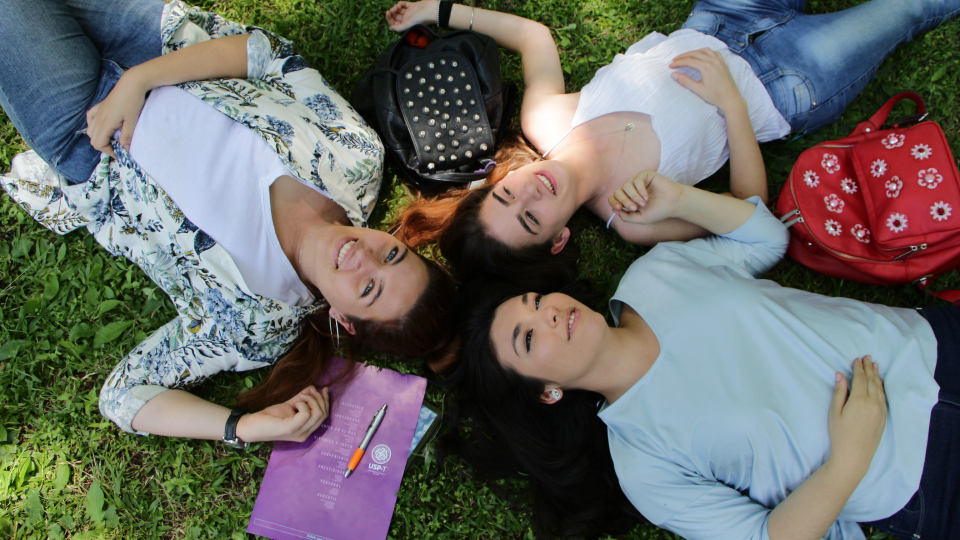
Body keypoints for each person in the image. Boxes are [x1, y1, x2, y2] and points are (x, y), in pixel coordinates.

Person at [0, 0, 457, 447]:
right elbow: (266, 55)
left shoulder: (253, 323)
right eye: (393, 255)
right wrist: (139, 80)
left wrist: (242, 427)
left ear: (345, 321)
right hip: (160, 46)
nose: (364, 257)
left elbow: (125, 395)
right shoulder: (358, 160)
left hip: (92, 137)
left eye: (368, 289)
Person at [455, 168, 958, 539]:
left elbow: (766, 239)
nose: (547, 314)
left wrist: (677, 199)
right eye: (527, 338)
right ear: (548, 393)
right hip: (921, 474)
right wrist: (848, 460)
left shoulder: (650, 277)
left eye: (536, 301)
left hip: (931, 342)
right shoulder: (644, 467)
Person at [384, 0, 960, 289]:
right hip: (786, 82)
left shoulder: (547, 119)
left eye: (506, 197)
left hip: (721, 19)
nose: (529, 192)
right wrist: (731, 103)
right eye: (531, 219)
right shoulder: (631, 218)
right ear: (559, 239)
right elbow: (752, 214)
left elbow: (533, 37)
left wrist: (438, 9)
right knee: (908, 7)